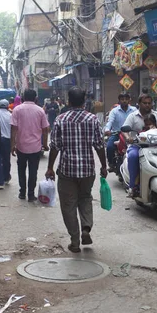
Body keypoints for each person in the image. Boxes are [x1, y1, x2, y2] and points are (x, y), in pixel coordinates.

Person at [46, 87, 107, 253]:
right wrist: (104, 165)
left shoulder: (60, 120)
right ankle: (86, 228)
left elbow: (55, 147)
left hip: (67, 171)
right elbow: (100, 146)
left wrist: (50, 167)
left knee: (68, 206)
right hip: (87, 170)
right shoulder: (93, 119)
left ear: (69, 101)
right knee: (85, 198)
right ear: (84, 100)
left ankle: (74, 241)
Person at [122, 94, 157, 197]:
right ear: (139, 103)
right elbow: (125, 130)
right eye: (145, 103)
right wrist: (128, 138)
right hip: (138, 146)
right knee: (133, 156)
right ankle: (133, 186)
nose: (147, 105)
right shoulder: (132, 116)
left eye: (149, 103)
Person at [11, 89, 50, 201]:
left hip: (21, 146)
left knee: (21, 170)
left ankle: (22, 192)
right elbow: (45, 129)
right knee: (33, 171)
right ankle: (31, 194)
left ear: (23, 98)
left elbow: (14, 129)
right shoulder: (40, 111)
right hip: (35, 147)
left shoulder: (17, 110)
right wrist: (45, 144)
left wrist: (12, 145)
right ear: (35, 98)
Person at [104, 92, 137, 171]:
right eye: (122, 99)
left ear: (129, 100)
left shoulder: (134, 110)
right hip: (117, 134)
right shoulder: (114, 111)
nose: (124, 101)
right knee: (109, 147)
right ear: (119, 100)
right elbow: (110, 122)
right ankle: (111, 164)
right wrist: (107, 130)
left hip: (131, 134)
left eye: (126, 99)